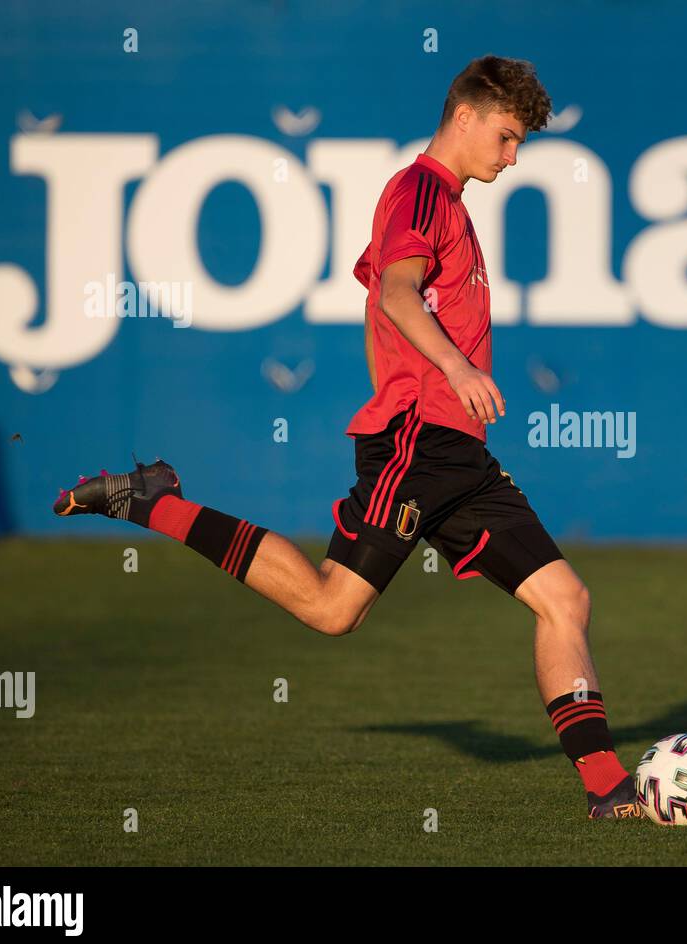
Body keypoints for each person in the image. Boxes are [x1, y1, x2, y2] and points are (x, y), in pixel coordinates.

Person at [53, 54, 639, 820]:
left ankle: (607, 789)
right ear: (464, 117)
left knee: (565, 597)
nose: (513, 156)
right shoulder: (421, 190)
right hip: (419, 445)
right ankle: (155, 502)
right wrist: (451, 375)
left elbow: (386, 307)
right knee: (334, 609)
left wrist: (430, 390)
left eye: (520, 141)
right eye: (505, 137)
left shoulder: (448, 204)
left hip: (459, 454)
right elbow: (396, 293)